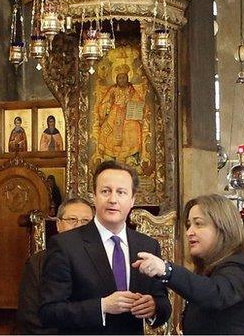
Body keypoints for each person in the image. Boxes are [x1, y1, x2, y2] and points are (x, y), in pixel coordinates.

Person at [39, 160, 171, 334]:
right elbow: (49, 312)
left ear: (132, 200)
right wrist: (101, 306)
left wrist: (154, 307)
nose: (113, 200)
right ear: (94, 196)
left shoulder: (147, 245)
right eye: (105, 191)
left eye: (121, 192)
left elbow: (163, 304)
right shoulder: (66, 245)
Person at [134, 194, 244, 334]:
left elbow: (215, 294)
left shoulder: (240, 267)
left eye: (198, 224)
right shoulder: (212, 268)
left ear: (223, 227)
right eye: (189, 225)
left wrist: (168, 270)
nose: (189, 232)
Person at [17, 198, 94, 334]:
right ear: (58, 225)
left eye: (85, 221)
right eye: (72, 220)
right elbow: (30, 316)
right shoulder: (38, 262)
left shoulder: (103, 260)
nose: (79, 226)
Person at [95, 64, 147, 165]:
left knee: (133, 128)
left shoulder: (132, 90)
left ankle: (130, 157)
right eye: (120, 78)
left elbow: (139, 102)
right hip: (114, 114)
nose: (122, 80)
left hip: (128, 115)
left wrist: (134, 105)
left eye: (124, 78)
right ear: (116, 79)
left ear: (127, 79)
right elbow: (104, 102)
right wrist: (107, 106)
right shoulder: (113, 90)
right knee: (107, 129)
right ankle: (110, 156)